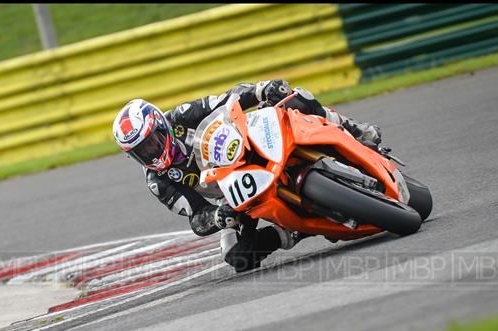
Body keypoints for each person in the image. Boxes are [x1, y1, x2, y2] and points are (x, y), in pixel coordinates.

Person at [112, 80, 383, 272]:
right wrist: (217, 218)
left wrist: (260, 90)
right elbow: (196, 217)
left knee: (294, 98)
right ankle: (289, 230)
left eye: (151, 142)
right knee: (235, 256)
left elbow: (226, 98)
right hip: (231, 197)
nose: (150, 153)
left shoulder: (181, 116)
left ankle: (354, 130)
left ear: (161, 125)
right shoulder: (157, 181)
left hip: (245, 145)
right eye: (140, 152)